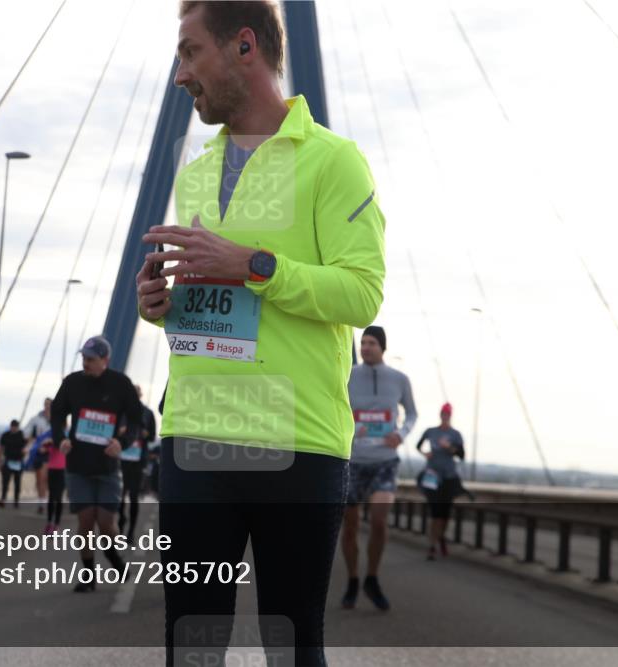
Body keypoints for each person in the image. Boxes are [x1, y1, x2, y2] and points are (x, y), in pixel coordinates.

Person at [135, 2, 385, 663]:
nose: (179, 75)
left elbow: (361, 292)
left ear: (243, 46)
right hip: (194, 438)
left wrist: (254, 265)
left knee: (293, 644)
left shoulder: (335, 162)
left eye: (190, 53)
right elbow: (209, 299)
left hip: (296, 442)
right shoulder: (194, 171)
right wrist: (158, 304)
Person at [51, 335, 141, 592]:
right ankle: (88, 574)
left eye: (90, 359)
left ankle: (114, 558)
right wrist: (61, 439)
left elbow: (135, 420)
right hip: (78, 464)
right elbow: (57, 414)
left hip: (107, 466)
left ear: (105, 360)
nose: (85, 363)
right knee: (85, 522)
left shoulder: (120, 384)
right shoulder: (72, 383)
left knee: (106, 525)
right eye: (83, 358)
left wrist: (122, 443)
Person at [340, 326, 416, 610]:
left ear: (383, 347)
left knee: (380, 521)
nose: (365, 347)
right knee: (350, 526)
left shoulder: (399, 379)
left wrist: (402, 434)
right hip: (354, 461)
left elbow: (413, 413)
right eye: (363, 343)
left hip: (384, 460)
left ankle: (372, 577)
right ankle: (352, 579)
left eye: (371, 343)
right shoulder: (348, 375)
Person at [416, 403, 468, 560]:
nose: (445, 416)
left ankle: (441, 538)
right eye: (443, 414)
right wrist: (425, 454)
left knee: (444, 514)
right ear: (440, 415)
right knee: (434, 513)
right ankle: (432, 546)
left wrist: (450, 447)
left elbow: (462, 455)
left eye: (447, 414)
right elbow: (418, 445)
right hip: (432, 476)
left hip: (449, 477)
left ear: (450, 416)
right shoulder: (431, 431)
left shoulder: (455, 434)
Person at [118, 385, 156, 538]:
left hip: (138, 461)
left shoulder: (148, 413)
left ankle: (131, 532)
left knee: (133, 496)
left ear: (140, 395)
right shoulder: (121, 412)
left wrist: (143, 433)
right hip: (121, 460)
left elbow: (152, 436)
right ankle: (120, 524)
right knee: (119, 496)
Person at [24, 398, 52, 513]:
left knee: (47, 479)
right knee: (40, 479)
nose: (47, 406)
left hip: (52, 453)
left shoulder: (57, 419)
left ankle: (47, 500)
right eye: (45, 404)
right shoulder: (36, 419)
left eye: (49, 404)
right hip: (39, 452)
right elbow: (26, 432)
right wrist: (32, 439)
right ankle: (42, 503)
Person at [0, 419, 27, 508]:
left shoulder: (22, 435)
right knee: (5, 481)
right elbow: (1, 448)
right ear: (10, 426)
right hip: (8, 460)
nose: (14, 428)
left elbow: (27, 446)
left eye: (16, 427)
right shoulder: (5, 435)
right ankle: (3, 498)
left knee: (17, 482)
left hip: (19, 461)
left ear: (18, 427)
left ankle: (16, 500)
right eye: (12, 426)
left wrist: (25, 453)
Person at [40, 430, 65, 533]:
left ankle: (57, 524)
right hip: (52, 470)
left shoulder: (65, 441)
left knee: (58, 498)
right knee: (51, 497)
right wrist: (46, 442)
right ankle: (49, 522)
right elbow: (41, 450)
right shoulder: (51, 442)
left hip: (62, 471)